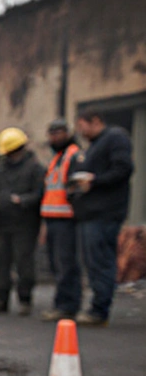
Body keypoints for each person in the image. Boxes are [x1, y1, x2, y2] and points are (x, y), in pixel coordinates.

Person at [71, 108, 136, 326]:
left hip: (104, 213)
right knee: (93, 261)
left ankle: (99, 310)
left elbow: (123, 169)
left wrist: (94, 181)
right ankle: (97, 307)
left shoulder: (115, 138)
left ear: (95, 121)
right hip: (90, 213)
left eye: (82, 126)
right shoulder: (94, 146)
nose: (81, 131)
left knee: (101, 261)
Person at [0, 127, 45, 315]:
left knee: (24, 261)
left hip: (24, 224)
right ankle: (2, 298)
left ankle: (25, 299)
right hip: (0, 224)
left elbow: (40, 194)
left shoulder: (34, 168)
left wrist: (23, 201)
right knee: (0, 261)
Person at [39, 119, 84, 322]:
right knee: (57, 265)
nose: (55, 137)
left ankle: (67, 306)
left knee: (66, 264)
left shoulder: (74, 155)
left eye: (58, 133)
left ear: (67, 133)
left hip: (67, 218)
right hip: (53, 218)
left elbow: (76, 188)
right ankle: (62, 303)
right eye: (52, 134)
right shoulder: (57, 157)